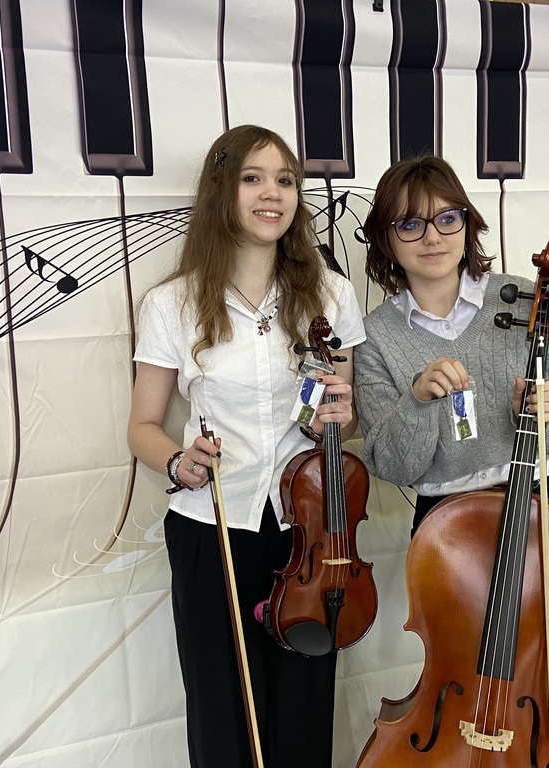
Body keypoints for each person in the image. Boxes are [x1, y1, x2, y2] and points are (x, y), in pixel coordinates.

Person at [127, 125, 365, 768]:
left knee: (304, 701)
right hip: (212, 526)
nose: (272, 194)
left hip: (307, 530)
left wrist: (340, 416)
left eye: (285, 180)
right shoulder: (170, 304)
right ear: (220, 192)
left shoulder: (332, 294)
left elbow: (342, 418)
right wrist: (178, 461)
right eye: (252, 178)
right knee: (222, 706)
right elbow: (142, 426)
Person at [353, 155, 549, 761]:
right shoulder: (377, 334)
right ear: (387, 239)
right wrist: (416, 402)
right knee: (459, 667)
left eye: (447, 218)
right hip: (447, 529)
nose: (432, 236)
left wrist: (548, 414)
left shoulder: (526, 298)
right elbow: (393, 464)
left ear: (468, 223)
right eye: (410, 224)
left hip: (538, 510)